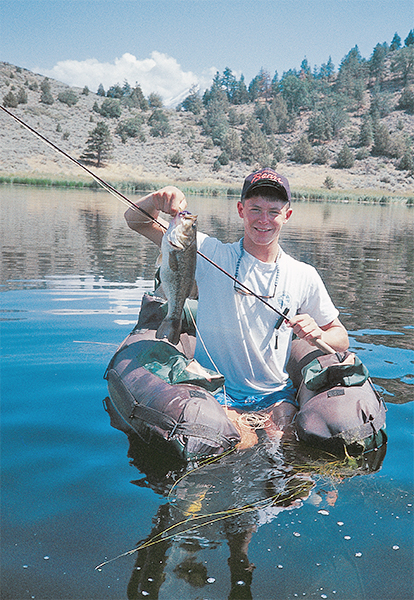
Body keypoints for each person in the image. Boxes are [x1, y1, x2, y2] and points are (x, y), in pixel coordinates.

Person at [124, 168, 349, 447]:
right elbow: (135, 220)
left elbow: (340, 337)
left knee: (285, 447)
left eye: (273, 211)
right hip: (216, 391)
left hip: (276, 395)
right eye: (255, 209)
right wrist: (158, 200)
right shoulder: (210, 253)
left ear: (287, 216)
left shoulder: (304, 275)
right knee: (242, 445)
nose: (263, 220)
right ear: (241, 209)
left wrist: (319, 335)